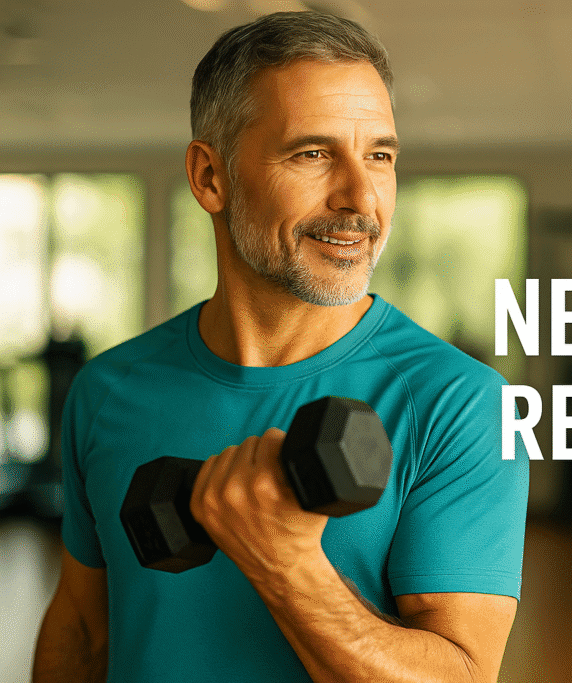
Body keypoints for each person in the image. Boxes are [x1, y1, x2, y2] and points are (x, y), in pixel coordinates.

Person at [33, 11, 528, 683]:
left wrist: (287, 564)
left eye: (379, 155)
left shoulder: (461, 404)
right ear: (211, 177)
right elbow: (85, 628)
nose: (361, 197)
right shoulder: (108, 390)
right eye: (313, 153)